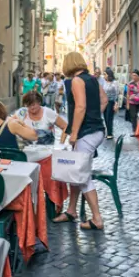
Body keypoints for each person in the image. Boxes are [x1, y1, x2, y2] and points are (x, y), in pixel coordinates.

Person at [55, 52, 108, 230]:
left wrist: (74, 133)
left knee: (82, 176)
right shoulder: (93, 79)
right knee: (76, 171)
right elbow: (104, 100)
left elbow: (80, 107)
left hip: (86, 133)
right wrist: (94, 115)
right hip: (97, 130)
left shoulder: (77, 81)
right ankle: (71, 210)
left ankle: (97, 218)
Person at [102, 68, 121, 140]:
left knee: (109, 118)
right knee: (105, 118)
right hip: (104, 102)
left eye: (105, 74)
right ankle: (109, 132)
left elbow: (117, 93)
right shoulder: (104, 82)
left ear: (109, 75)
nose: (104, 76)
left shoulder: (114, 82)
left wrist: (116, 103)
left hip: (111, 102)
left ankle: (110, 134)